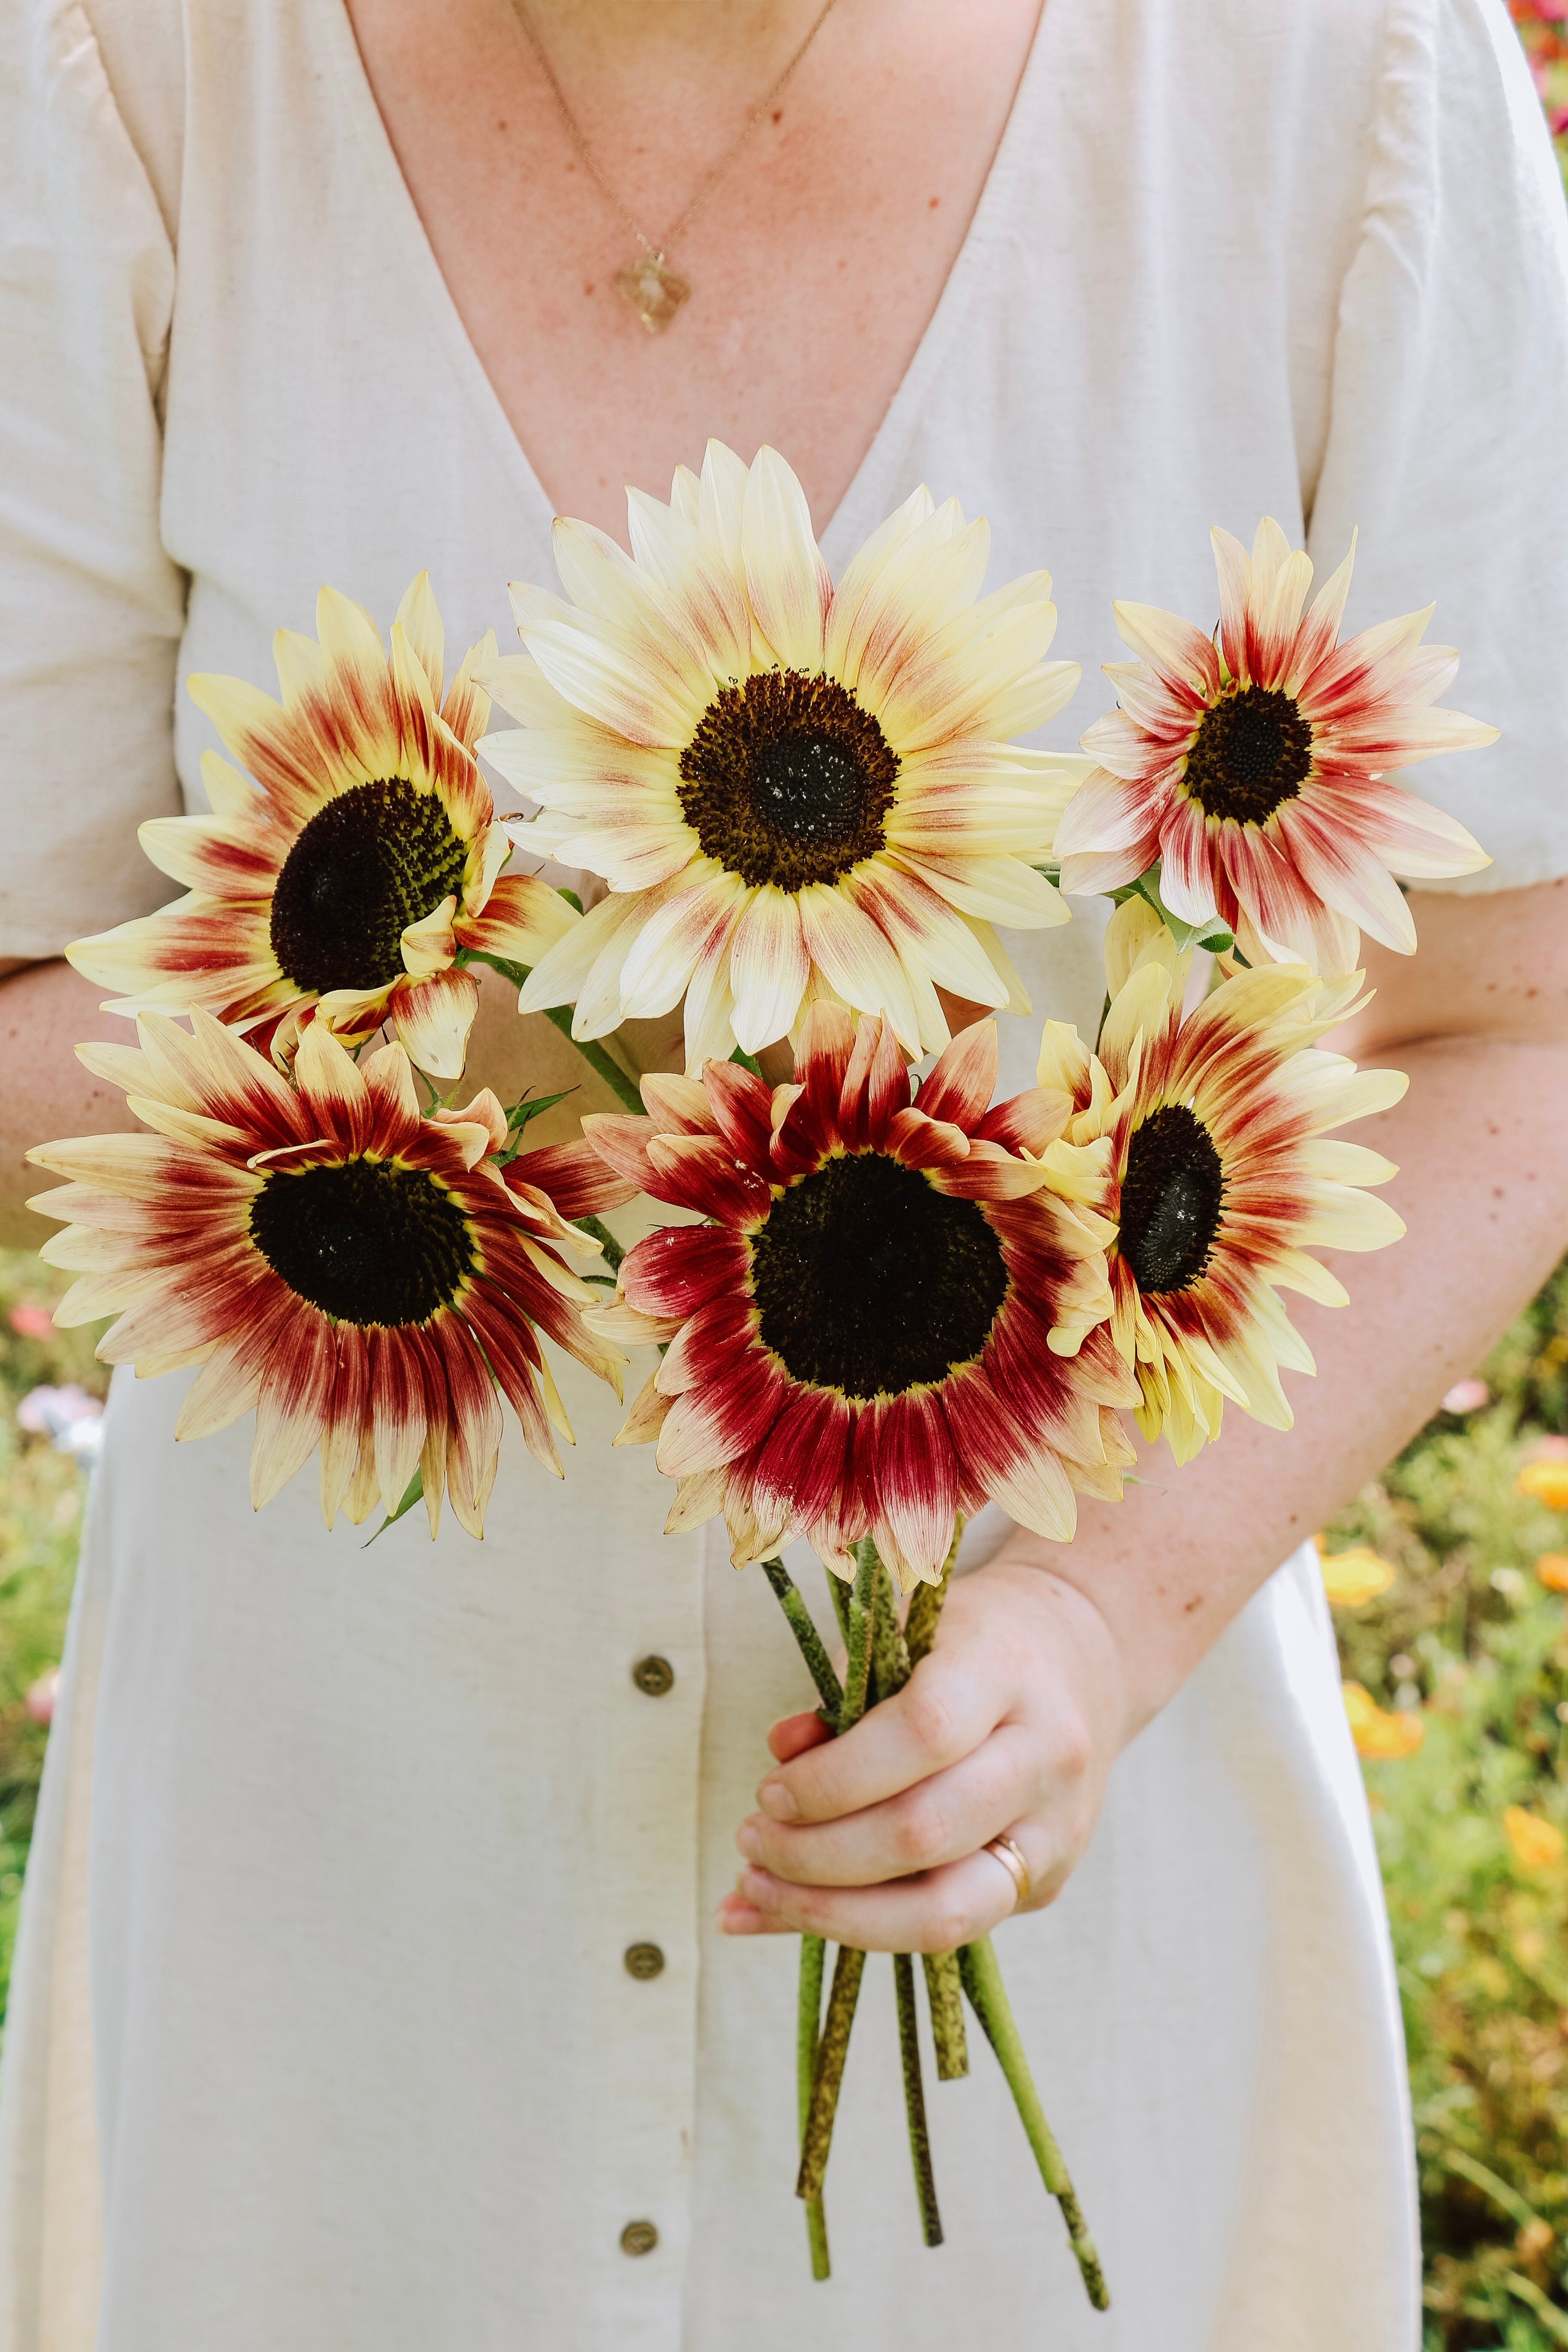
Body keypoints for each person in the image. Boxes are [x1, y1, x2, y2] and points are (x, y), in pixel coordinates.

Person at [2, 0, 1567, 2344]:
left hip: (1073, 1845)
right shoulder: (125, 75)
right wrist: (501, 1027)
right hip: (343, 1919)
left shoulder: (1337, 80)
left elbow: (1514, 1021)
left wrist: (1097, 1620)